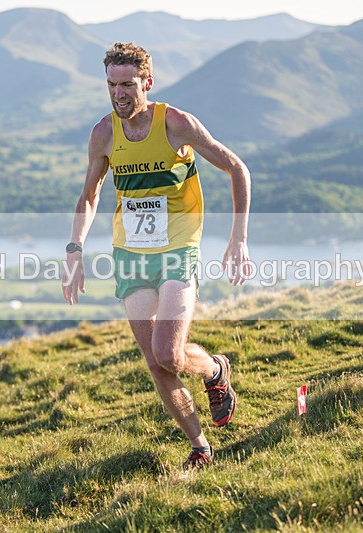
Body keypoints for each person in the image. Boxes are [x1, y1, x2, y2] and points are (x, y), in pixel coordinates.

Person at [63, 42, 251, 469]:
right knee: (156, 362)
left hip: (178, 248)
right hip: (131, 254)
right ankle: (200, 447)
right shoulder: (104, 134)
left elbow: (237, 168)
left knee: (169, 352)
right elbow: (89, 196)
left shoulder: (176, 124)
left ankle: (215, 370)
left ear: (147, 83)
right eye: (111, 85)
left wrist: (238, 237)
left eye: (127, 85)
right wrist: (74, 249)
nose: (118, 94)